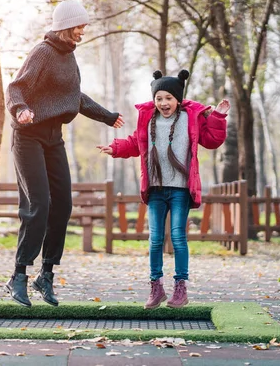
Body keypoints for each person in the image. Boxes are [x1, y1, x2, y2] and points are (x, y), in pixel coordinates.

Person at [4, 0, 125, 307]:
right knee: (38, 204)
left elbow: (75, 98)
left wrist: (107, 116)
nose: (82, 31)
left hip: (53, 138)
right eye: (79, 26)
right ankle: (18, 275)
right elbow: (16, 88)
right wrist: (20, 110)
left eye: (84, 26)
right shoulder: (42, 52)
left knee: (63, 205)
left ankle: (46, 275)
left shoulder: (69, 56)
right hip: (28, 135)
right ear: (66, 25)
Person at [97, 70, 229, 309]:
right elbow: (136, 143)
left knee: (178, 237)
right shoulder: (148, 119)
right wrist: (115, 148)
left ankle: (180, 287)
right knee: (155, 239)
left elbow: (212, 140)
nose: (163, 103)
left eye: (168, 98)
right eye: (159, 98)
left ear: (178, 98)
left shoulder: (191, 117)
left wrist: (218, 116)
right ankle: (156, 287)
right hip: (156, 189)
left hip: (180, 189)